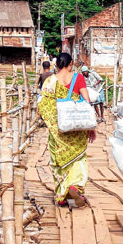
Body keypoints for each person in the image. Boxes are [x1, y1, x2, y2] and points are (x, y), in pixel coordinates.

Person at [37, 52, 96, 208]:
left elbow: (43, 104)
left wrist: (51, 122)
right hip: (77, 126)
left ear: (56, 65)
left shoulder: (50, 80)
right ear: (71, 64)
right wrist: (91, 126)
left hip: (59, 127)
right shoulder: (78, 78)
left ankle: (62, 195)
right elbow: (86, 101)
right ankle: (75, 185)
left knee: (58, 161)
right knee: (78, 158)